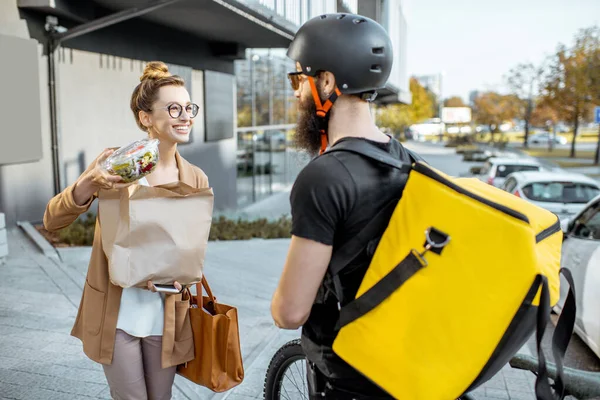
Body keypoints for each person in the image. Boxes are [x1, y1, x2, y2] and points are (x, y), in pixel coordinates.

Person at [270, 13, 421, 399]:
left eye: (297, 80)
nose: (295, 93)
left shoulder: (323, 178)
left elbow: (289, 314)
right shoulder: (408, 160)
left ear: (326, 81)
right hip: (403, 363)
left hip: (350, 374)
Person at [43, 61, 209, 400]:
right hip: (116, 315)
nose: (186, 116)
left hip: (166, 315)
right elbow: (52, 220)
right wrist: (88, 181)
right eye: (174, 108)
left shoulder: (196, 178)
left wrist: (179, 277)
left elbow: (188, 249)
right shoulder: (116, 169)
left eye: (189, 107)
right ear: (145, 117)